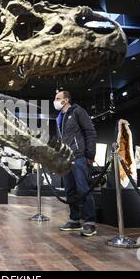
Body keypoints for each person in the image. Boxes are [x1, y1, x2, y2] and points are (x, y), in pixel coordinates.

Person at [54, 91, 97, 237]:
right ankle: (74, 219)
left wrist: (90, 154)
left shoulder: (78, 111)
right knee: (69, 190)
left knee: (83, 188)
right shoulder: (60, 117)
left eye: (58, 98)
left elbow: (90, 132)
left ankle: (90, 222)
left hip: (79, 157)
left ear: (66, 100)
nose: (55, 101)